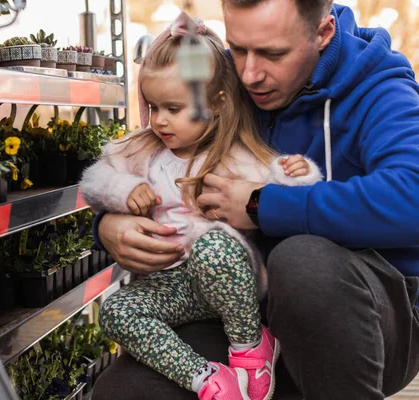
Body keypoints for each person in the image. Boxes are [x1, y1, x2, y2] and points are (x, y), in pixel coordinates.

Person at [91, 1, 419, 399]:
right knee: (124, 392)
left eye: (273, 53)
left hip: (357, 322)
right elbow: (151, 154)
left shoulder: (378, 84)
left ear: (323, 33)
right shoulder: (219, 79)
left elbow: (412, 197)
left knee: (301, 262)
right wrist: (109, 224)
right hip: (243, 316)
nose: (249, 73)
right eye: (238, 48)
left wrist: (262, 206)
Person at [80, 12, 322, 400]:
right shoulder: (143, 150)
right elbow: (95, 180)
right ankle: (207, 379)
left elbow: (277, 183)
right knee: (115, 312)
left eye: (173, 108)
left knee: (213, 247)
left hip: (229, 282)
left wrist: (296, 173)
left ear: (218, 103)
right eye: (153, 106)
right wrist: (123, 192)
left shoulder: (232, 156)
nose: (159, 120)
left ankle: (250, 348)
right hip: (172, 284)